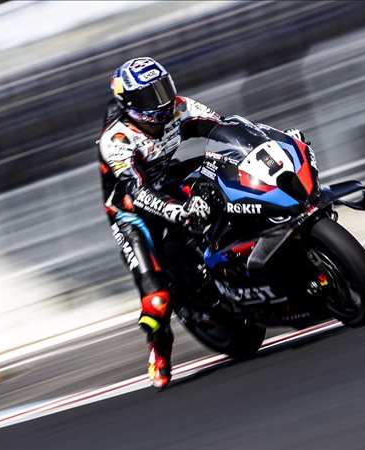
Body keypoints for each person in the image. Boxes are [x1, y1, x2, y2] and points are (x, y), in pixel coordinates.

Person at [97, 57, 306, 389]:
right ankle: (159, 351)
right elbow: (137, 191)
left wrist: (269, 145)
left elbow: (228, 128)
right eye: (151, 95)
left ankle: (251, 249)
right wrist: (177, 211)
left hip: (169, 178)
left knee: (226, 166)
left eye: (162, 87)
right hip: (131, 211)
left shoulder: (179, 108)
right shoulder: (116, 140)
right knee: (157, 301)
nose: (162, 99)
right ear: (131, 104)